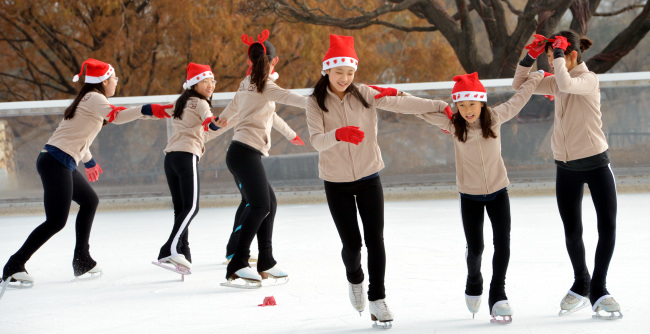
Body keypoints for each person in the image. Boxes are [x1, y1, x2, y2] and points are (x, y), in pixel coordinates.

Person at [304, 34, 450, 328]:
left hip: (369, 176)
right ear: (327, 71)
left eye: (349, 72)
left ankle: (378, 298)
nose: (344, 78)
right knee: (353, 245)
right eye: (338, 72)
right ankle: (355, 278)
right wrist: (339, 134)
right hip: (336, 182)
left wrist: (438, 105)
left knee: (376, 241)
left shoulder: (365, 93)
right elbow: (317, 141)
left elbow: (402, 104)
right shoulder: (315, 102)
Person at [1, 59, 171, 288]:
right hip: (55, 161)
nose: (116, 82)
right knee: (56, 221)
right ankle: (14, 264)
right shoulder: (95, 98)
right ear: (104, 81)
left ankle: (82, 259)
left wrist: (89, 161)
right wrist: (146, 109)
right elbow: (117, 117)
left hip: (61, 160)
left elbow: (78, 134)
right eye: (115, 78)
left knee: (90, 201)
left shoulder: (89, 99)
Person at [415, 71, 544, 323]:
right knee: (476, 250)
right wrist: (396, 97)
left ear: (482, 102)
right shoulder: (453, 125)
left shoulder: (495, 117)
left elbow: (520, 98)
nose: (467, 110)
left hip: (498, 192)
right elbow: (417, 110)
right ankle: (474, 279)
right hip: (470, 196)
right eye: (461, 105)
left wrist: (536, 78)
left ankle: (498, 293)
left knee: (502, 243)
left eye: (471, 104)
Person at [514, 31, 621, 319]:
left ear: (571, 54)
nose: (550, 64)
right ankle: (581, 282)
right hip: (566, 167)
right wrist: (531, 56)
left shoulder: (589, 80)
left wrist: (558, 58)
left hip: (597, 163)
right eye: (549, 58)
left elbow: (565, 83)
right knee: (573, 232)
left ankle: (599, 287)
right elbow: (519, 84)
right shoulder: (559, 79)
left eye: (553, 57)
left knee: (606, 228)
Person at [212, 29, 306, 288]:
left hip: (242, 153)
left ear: (249, 62)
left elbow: (233, 111)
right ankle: (238, 264)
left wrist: (291, 133)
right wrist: (323, 102)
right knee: (260, 206)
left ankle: (266, 260)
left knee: (269, 204)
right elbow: (292, 98)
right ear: (274, 61)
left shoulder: (247, 85)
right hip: (244, 153)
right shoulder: (265, 86)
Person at [154, 62, 224, 275]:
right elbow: (209, 123)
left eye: (213, 81)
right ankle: (170, 248)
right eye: (206, 81)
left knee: (181, 208)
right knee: (192, 207)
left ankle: (184, 253)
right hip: (186, 157)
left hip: (171, 159)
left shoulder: (180, 102)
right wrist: (218, 123)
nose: (211, 85)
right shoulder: (201, 103)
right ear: (195, 83)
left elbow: (203, 130)